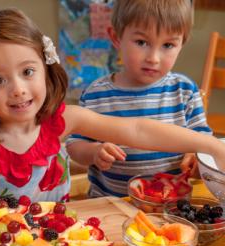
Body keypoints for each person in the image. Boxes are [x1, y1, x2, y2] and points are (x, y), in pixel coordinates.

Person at [0, 8, 225, 219]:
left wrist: (211, 144)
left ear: (45, 67)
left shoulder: (64, 120)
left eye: (27, 71)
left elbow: (137, 130)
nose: (18, 89)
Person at [66, 0, 211, 198]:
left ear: (181, 44)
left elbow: (204, 142)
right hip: (110, 206)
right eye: (142, 42)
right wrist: (94, 152)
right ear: (116, 38)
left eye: (168, 45)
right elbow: (74, 146)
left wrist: (195, 157)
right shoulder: (95, 94)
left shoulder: (184, 91)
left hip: (170, 209)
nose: (153, 58)